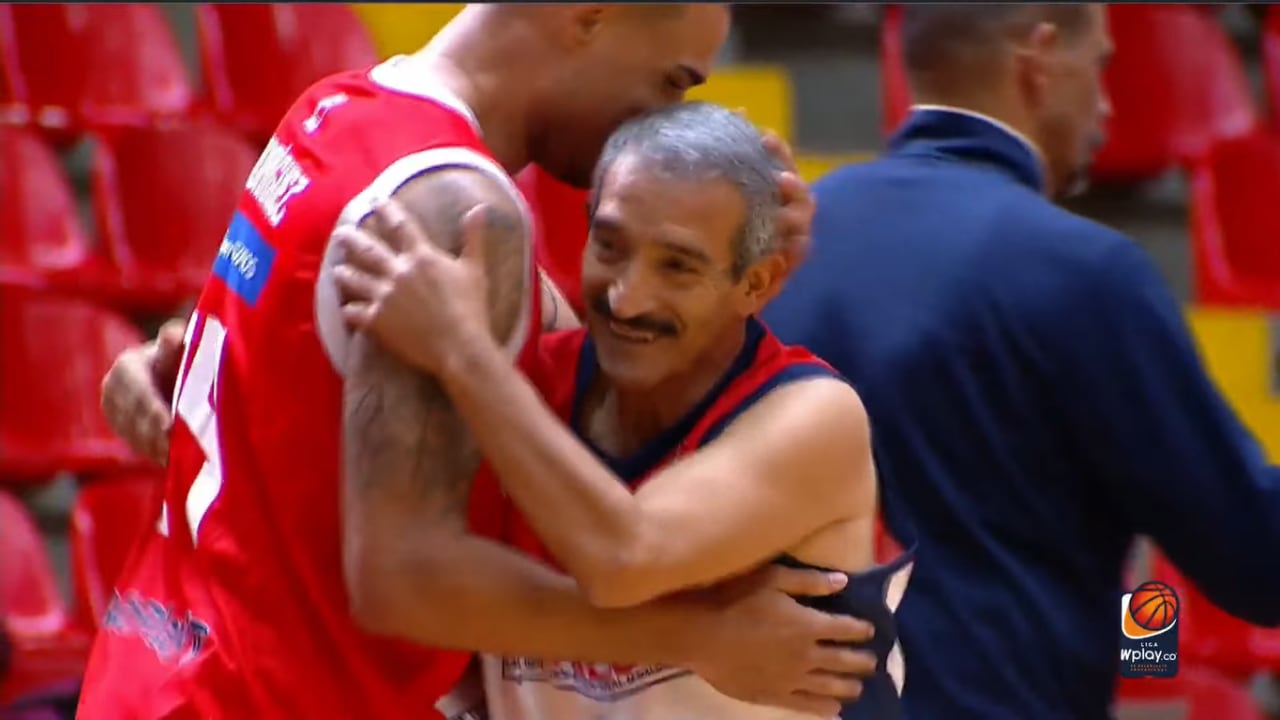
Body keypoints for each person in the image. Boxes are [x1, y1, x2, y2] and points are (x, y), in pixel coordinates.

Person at [78, 5, 874, 719]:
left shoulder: (332, 111)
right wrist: (699, 638)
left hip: (153, 666)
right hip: (273, 693)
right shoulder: (463, 209)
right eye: (670, 80)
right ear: (587, 17)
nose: (662, 119)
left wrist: (736, 256)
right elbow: (409, 579)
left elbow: (259, 366)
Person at [761, 5, 1280, 719]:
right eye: (1099, 66)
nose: (1105, 103)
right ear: (1038, 59)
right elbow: (1256, 560)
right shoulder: (1085, 271)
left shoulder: (783, 244)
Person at [332, 101, 913, 720]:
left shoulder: (814, 417)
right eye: (609, 247)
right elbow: (409, 585)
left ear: (755, 284)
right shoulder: (529, 384)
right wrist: (697, 635)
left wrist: (460, 349)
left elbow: (623, 559)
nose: (628, 298)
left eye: (677, 267)